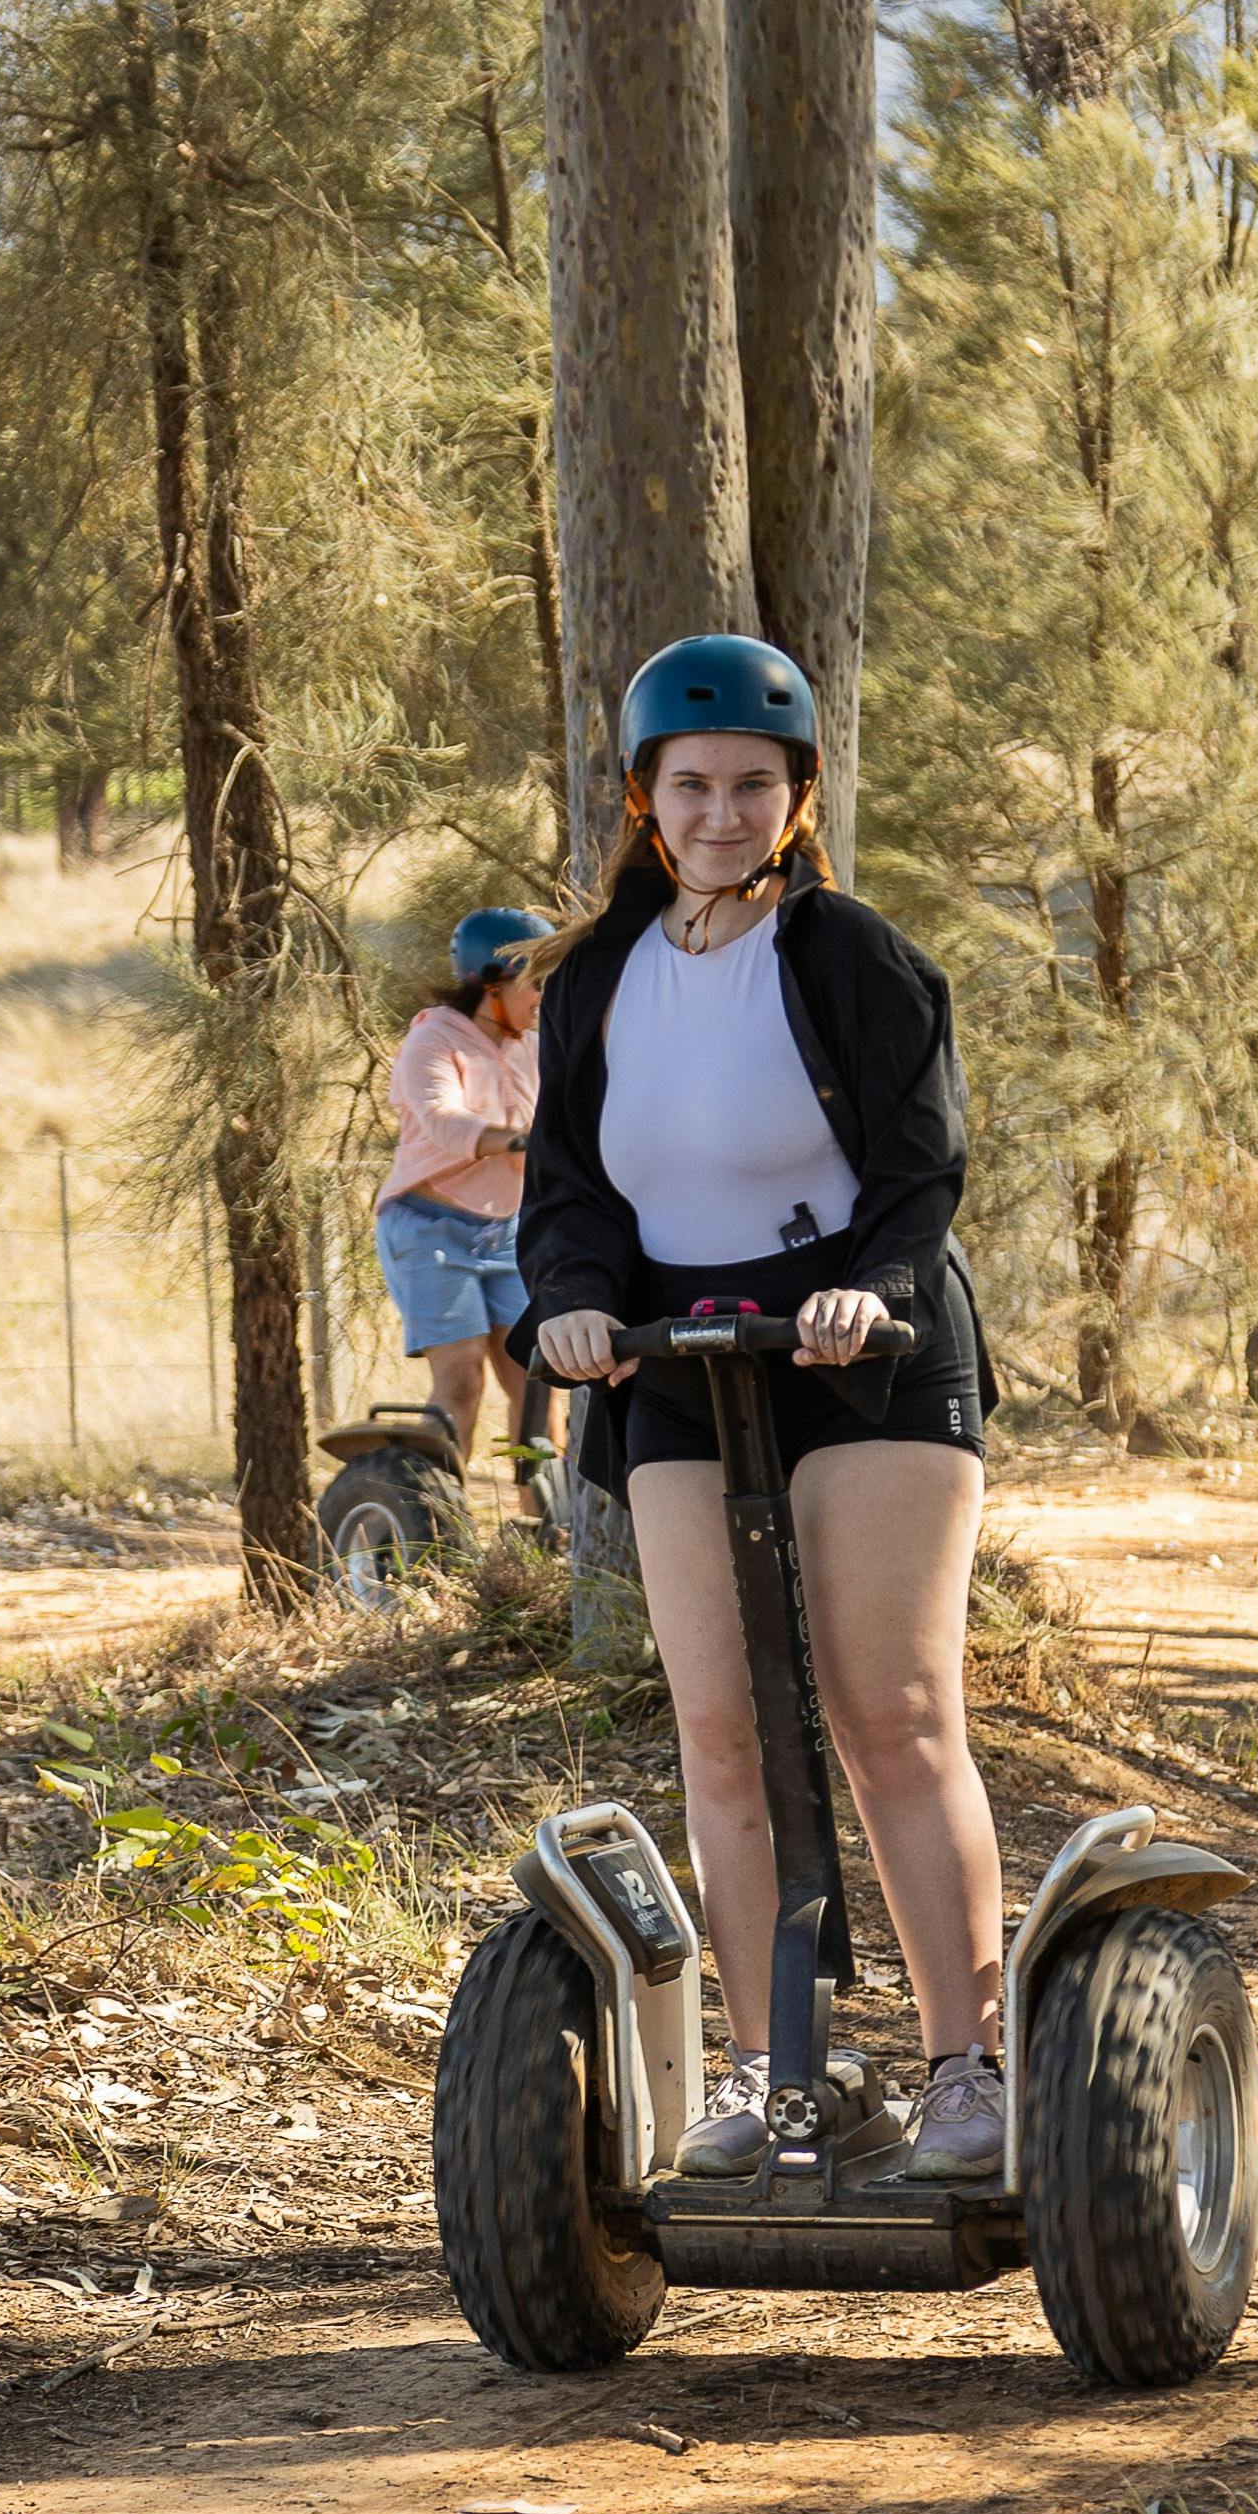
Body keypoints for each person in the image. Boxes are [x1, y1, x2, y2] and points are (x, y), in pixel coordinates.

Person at [514, 634, 1008, 2178]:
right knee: (721, 1734)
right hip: (676, 1353)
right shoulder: (595, 971)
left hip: (861, 1349)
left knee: (892, 1713)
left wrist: (873, 1282)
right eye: (692, 785)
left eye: (752, 785)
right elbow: (569, 1184)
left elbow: (922, 1157)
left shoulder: (850, 950)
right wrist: (573, 1297)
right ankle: (771, 2075)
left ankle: (966, 2068)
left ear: (795, 797)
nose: (722, 811)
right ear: (647, 800)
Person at [376, 906, 550, 1493]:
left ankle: (547, 1528)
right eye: (537, 981)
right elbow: (447, 1123)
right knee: (461, 1381)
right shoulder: (431, 1040)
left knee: (537, 1383)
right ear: (491, 980)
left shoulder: (532, 1044)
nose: (545, 995)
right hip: (430, 1229)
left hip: (509, 1232)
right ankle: (442, 1530)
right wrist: (521, 1140)